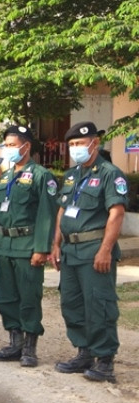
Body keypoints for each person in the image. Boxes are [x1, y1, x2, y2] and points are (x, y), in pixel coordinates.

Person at [50, 121, 127, 383]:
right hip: (70, 251)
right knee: (71, 303)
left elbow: (116, 213)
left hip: (94, 249)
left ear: (95, 142)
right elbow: (62, 210)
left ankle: (104, 360)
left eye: (80, 143)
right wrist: (56, 243)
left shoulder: (109, 174)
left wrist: (106, 250)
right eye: (72, 144)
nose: (76, 148)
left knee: (99, 305)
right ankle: (84, 353)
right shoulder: (72, 175)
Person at [0, 125, 57, 367]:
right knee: (5, 297)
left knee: (29, 297)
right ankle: (14, 343)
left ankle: (29, 348)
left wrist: (41, 248)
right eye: (6, 145)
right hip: (4, 245)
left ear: (26, 146)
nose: (8, 149)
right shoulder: (6, 177)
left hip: (27, 246)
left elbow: (47, 214)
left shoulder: (41, 175)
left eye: (12, 145)